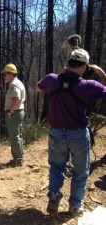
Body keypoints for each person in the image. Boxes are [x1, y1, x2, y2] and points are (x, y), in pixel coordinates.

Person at [36, 48, 106, 217]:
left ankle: (54, 195)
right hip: (78, 134)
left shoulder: (52, 80)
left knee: (57, 166)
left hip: (56, 133)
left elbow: (38, 87)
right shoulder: (88, 85)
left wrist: (60, 73)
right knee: (80, 171)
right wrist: (101, 73)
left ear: (68, 63)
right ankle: (75, 205)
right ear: (84, 67)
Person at [2, 63, 26, 167]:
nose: (4, 76)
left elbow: (17, 99)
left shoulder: (14, 84)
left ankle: (17, 159)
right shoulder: (18, 82)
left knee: (14, 136)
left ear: (11, 74)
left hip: (15, 113)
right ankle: (19, 157)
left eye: (5, 74)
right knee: (18, 135)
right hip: (19, 112)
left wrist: (11, 111)